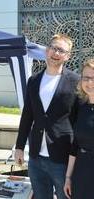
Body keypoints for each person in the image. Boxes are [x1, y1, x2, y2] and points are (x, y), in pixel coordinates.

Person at [14, 34, 79, 199]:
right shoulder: (34, 80)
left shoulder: (75, 81)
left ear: (68, 56)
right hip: (36, 157)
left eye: (61, 50)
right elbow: (27, 115)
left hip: (62, 156)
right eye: (53, 47)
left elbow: (78, 120)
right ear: (47, 50)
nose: (55, 53)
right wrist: (20, 146)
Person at [64, 59, 94, 199]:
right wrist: (68, 177)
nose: (89, 82)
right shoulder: (81, 107)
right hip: (81, 171)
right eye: (86, 78)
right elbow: (75, 144)